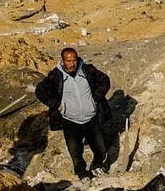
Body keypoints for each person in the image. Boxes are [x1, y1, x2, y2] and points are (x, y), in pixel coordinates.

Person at [34, 47, 113, 178]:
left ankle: (97, 166)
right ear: (63, 61)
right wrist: (56, 105)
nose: (72, 64)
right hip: (70, 121)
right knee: (76, 153)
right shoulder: (55, 76)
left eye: (74, 60)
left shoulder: (87, 70)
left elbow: (105, 80)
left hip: (91, 119)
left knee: (100, 149)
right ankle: (82, 173)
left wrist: (96, 98)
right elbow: (40, 91)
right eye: (68, 61)